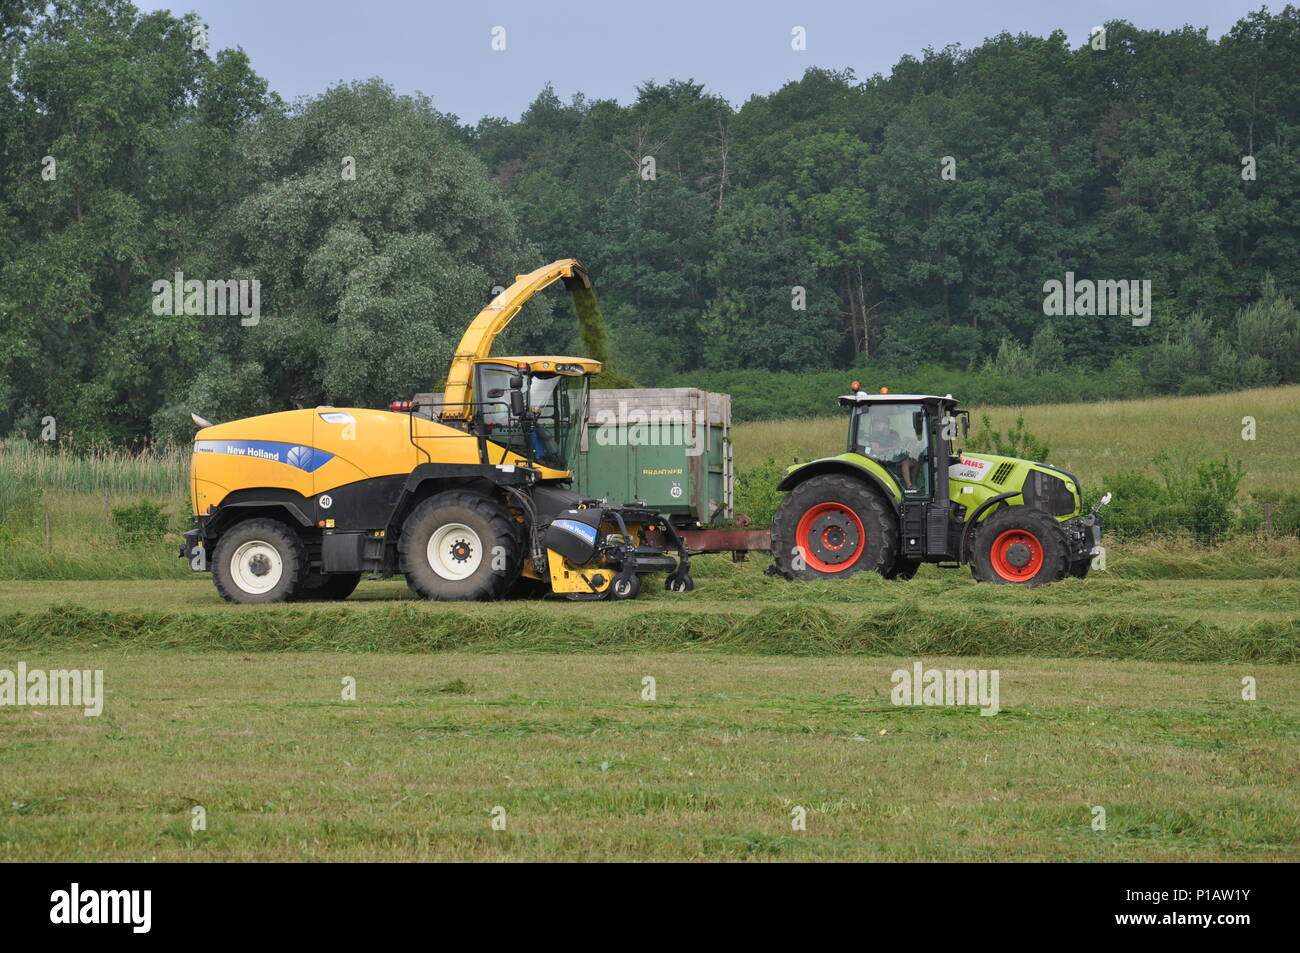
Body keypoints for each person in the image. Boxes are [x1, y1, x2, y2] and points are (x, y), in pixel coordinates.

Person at [866, 414, 919, 491]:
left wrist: (908, 442)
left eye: (880, 423)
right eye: (877, 424)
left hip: (895, 457)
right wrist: (892, 448)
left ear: (886, 425)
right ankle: (909, 486)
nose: (877, 426)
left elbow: (899, 444)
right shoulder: (875, 435)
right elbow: (876, 450)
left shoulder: (894, 433)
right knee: (905, 462)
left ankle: (914, 484)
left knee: (915, 463)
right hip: (882, 459)